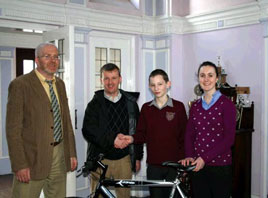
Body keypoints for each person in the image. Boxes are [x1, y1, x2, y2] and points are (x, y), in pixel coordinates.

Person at [5, 43, 77, 198]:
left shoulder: (60, 84)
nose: (53, 60)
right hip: (31, 159)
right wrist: (20, 164)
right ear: (37, 60)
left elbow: (66, 122)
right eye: (47, 56)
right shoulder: (20, 85)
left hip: (59, 155)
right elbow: (13, 130)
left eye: (56, 57)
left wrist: (71, 153)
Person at [115, 69, 187, 198]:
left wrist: (183, 162)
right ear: (149, 86)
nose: (156, 88)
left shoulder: (179, 107)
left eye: (160, 84)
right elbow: (142, 134)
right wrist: (131, 138)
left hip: (174, 165)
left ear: (168, 84)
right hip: (154, 166)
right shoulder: (146, 108)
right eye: (153, 85)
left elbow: (184, 136)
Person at [82, 63, 143, 198]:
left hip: (124, 160)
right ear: (101, 80)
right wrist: (113, 139)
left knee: (124, 196)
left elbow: (138, 131)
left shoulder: (131, 103)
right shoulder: (94, 104)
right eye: (107, 78)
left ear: (120, 79)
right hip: (100, 160)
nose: (110, 82)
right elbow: (88, 130)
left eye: (114, 78)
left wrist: (137, 157)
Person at [180, 61, 236, 198]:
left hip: (220, 167)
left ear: (217, 78)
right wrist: (189, 155)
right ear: (198, 78)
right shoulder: (195, 106)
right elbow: (189, 134)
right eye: (202, 75)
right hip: (197, 166)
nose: (206, 79)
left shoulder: (227, 104)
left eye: (210, 75)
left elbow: (229, 139)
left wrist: (204, 158)